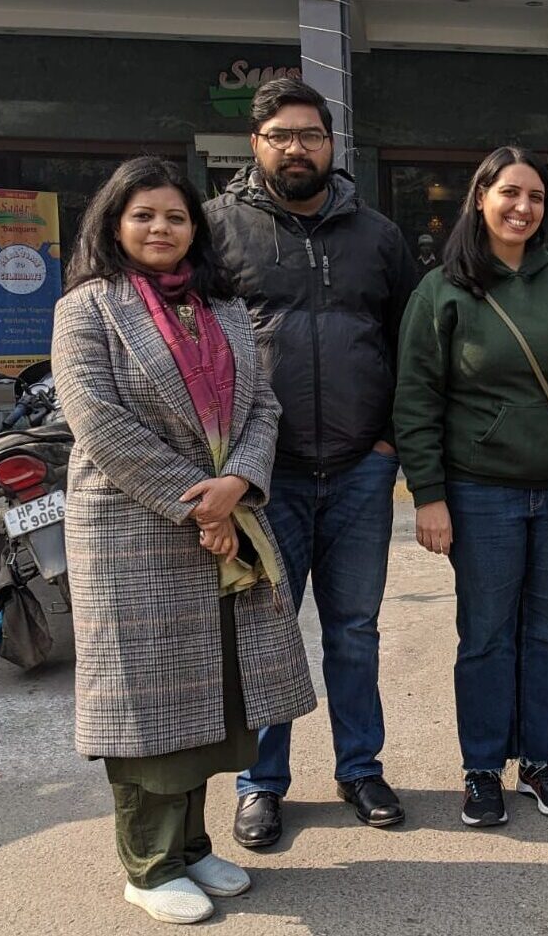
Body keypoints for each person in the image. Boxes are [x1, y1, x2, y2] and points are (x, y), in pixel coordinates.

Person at [53, 156, 316, 924]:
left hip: (224, 523)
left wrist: (238, 484)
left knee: (212, 695)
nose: (161, 228)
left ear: (194, 228)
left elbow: (261, 407)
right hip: (134, 529)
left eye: (175, 216)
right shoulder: (88, 307)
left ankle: (193, 844)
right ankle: (146, 861)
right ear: (114, 224)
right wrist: (200, 502)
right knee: (144, 704)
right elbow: (98, 423)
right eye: (144, 216)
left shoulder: (223, 308)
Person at [205, 77, 420, 847]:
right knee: (268, 631)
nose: (298, 147)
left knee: (354, 629)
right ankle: (262, 781)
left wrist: (391, 444)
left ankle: (360, 766)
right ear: (256, 145)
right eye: (281, 135)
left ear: (334, 145)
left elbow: (410, 345)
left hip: (362, 466)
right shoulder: (216, 230)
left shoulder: (378, 235)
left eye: (312, 135)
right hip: (267, 473)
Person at [394, 146, 548, 828]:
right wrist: (427, 493)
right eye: (509, 193)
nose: (523, 207)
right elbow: (415, 397)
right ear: (481, 197)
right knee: (487, 636)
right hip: (479, 494)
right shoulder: (442, 290)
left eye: (536, 196)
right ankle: (482, 768)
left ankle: (542, 760)